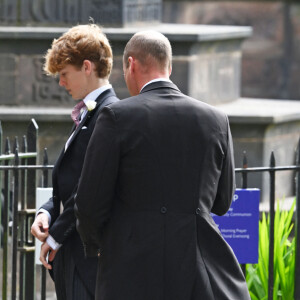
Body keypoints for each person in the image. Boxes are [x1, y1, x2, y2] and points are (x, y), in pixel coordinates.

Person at [74, 30, 250, 299]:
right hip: (198, 269)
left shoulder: (116, 116)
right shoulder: (216, 119)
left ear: (131, 64)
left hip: (131, 269)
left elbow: (89, 203)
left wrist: (100, 245)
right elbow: (222, 202)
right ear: (170, 66)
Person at [30, 24, 119, 300]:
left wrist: (55, 236)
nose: (61, 82)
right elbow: (68, 183)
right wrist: (45, 213)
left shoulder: (109, 114)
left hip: (87, 258)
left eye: (65, 74)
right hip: (73, 254)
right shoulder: (91, 112)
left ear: (87, 67)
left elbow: (89, 188)